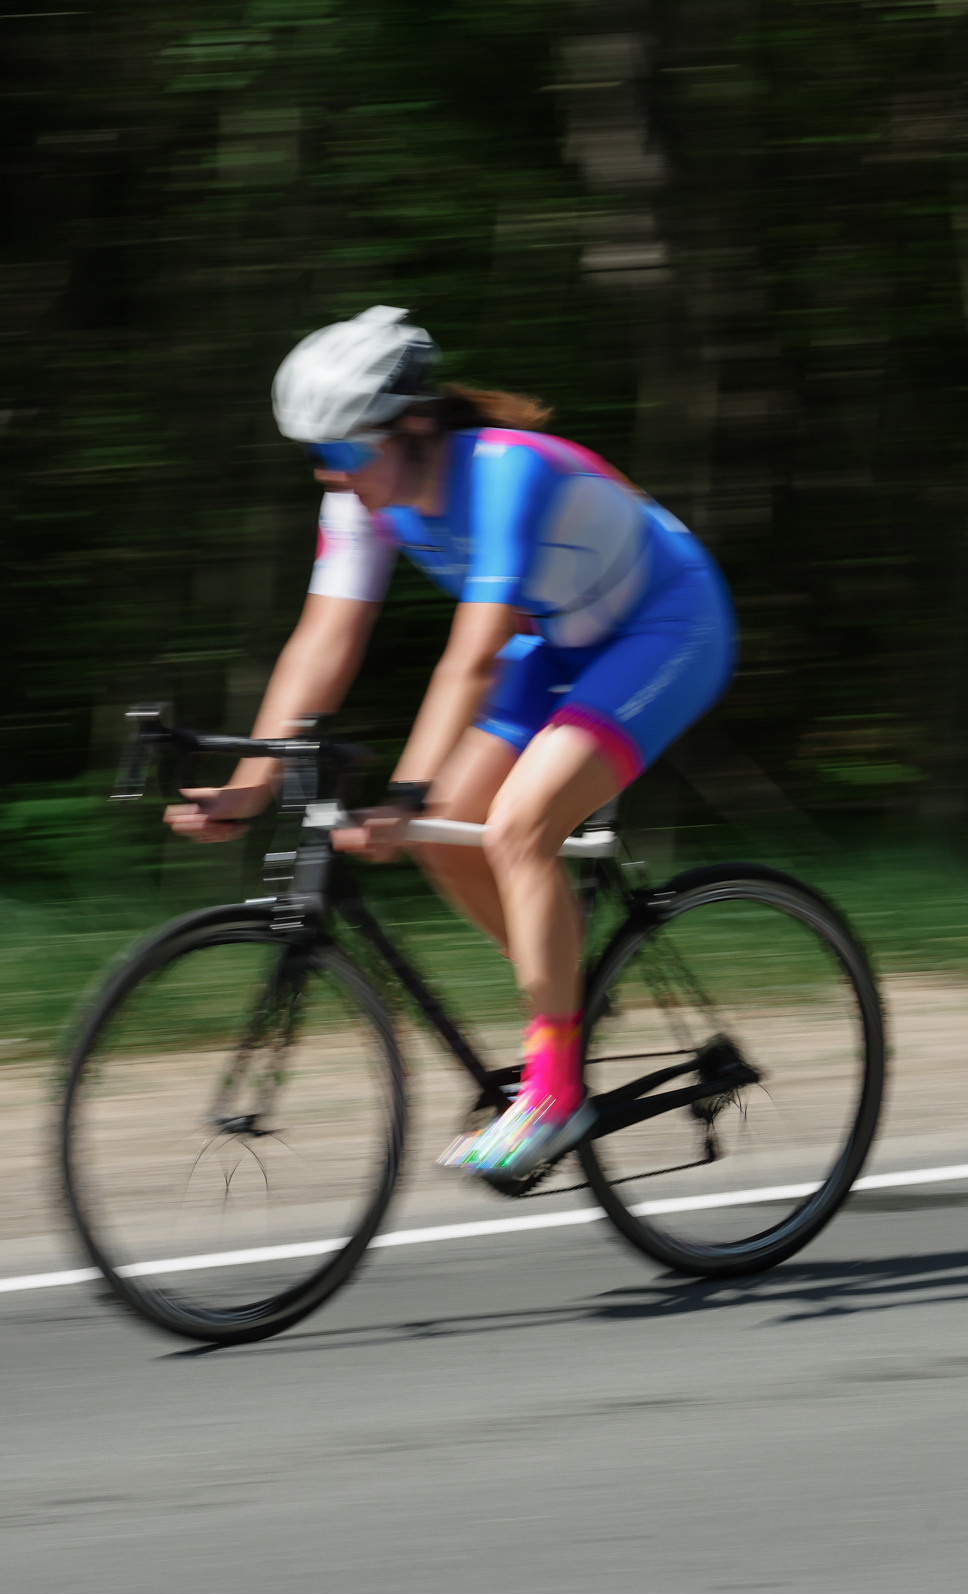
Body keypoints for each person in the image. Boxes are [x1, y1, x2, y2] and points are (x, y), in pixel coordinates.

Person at [164, 305, 737, 1172]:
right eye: (318, 457)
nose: (334, 474)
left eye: (349, 451)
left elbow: (471, 655)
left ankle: (553, 1092)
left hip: (666, 626)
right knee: (452, 835)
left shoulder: (506, 474)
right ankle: (569, 1006)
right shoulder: (365, 498)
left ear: (417, 425)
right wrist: (252, 782)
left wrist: (404, 793)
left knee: (515, 825)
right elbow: (324, 640)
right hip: (560, 635)